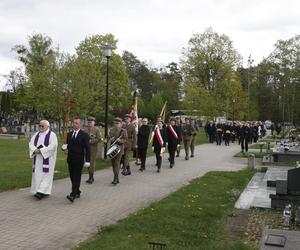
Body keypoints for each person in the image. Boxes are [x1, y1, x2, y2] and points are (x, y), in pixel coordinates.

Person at [29, 120, 58, 200]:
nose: (40, 127)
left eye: (42, 126)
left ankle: (41, 192)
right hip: (37, 159)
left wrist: (41, 151)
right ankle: (38, 191)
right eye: (40, 126)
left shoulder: (52, 135)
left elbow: (53, 146)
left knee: (46, 175)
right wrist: (35, 150)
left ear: (47, 126)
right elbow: (31, 144)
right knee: (37, 175)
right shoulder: (36, 134)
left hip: (47, 160)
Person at [64, 118, 90, 202]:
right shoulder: (69, 134)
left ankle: (73, 194)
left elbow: (87, 148)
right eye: (74, 123)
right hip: (70, 158)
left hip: (79, 158)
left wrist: (88, 161)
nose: (74, 124)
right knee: (72, 176)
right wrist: (64, 147)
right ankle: (77, 191)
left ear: (80, 125)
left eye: (76, 123)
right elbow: (67, 145)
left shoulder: (84, 135)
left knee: (77, 176)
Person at [107, 117, 128, 185]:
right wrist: (109, 138)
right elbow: (108, 137)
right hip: (112, 148)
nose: (116, 124)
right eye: (115, 123)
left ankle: (115, 178)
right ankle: (116, 177)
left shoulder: (123, 131)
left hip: (119, 148)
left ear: (121, 124)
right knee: (113, 163)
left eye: (117, 123)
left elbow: (125, 139)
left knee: (117, 163)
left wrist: (120, 141)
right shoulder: (111, 130)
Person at [85, 116, 102, 184]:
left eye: (91, 122)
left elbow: (99, 139)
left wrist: (91, 141)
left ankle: (91, 177)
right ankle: (90, 176)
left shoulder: (96, 129)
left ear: (94, 122)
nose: (89, 123)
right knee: (87, 162)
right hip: (86, 148)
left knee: (91, 162)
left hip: (93, 148)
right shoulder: (85, 130)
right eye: (88, 122)